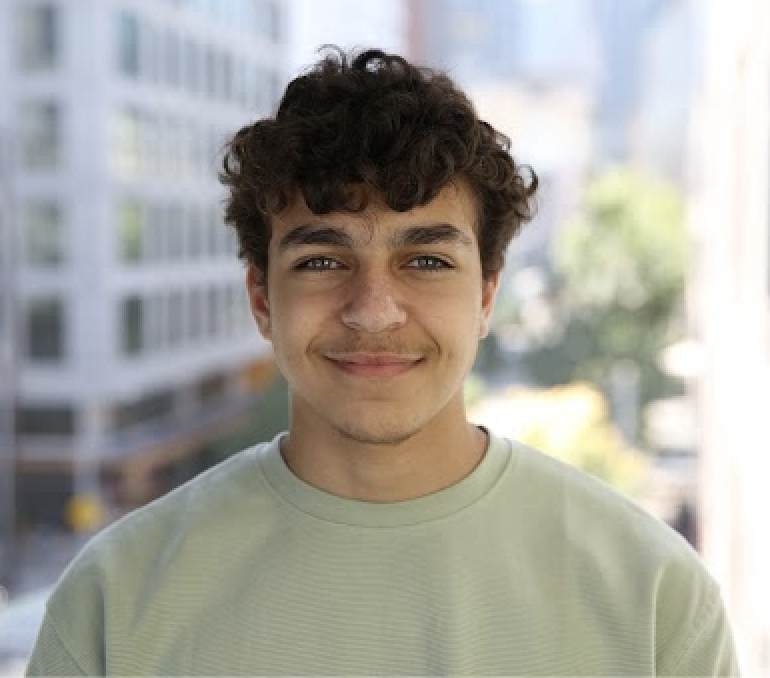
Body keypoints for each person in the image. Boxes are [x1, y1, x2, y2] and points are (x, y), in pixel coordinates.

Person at [27, 47, 739, 677]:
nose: (373, 310)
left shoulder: (652, 596)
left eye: (426, 260)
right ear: (262, 299)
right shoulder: (113, 604)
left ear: (486, 295)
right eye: (322, 260)